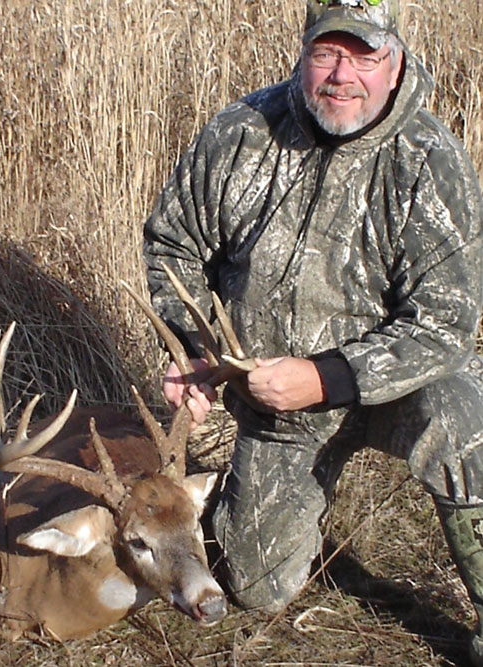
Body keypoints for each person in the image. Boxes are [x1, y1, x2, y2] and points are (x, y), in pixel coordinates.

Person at [143, 1, 483, 663]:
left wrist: (326, 377)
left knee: (465, 418)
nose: (341, 74)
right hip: (274, 403)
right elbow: (171, 242)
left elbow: (447, 325)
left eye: (363, 55)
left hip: (395, 390)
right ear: (303, 54)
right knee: (255, 585)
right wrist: (193, 347)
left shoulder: (428, 160)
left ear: (396, 62)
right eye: (327, 52)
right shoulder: (243, 134)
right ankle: (279, 499)